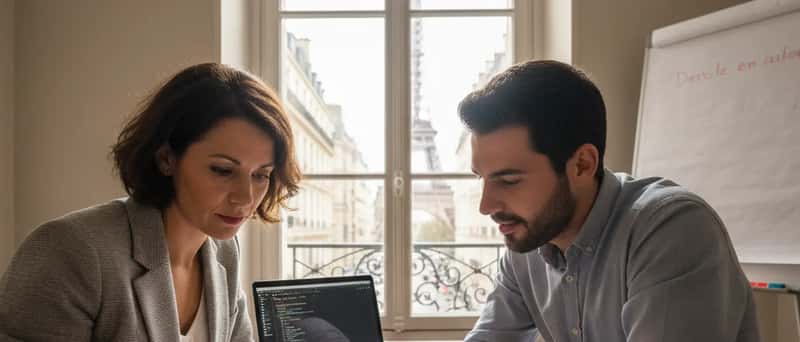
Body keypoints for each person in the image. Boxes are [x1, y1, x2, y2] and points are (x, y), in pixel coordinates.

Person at [460, 60, 759, 341]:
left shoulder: (672, 229)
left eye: (509, 181)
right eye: (480, 178)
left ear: (582, 165)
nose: (486, 206)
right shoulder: (529, 241)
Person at [0, 63, 300, 341]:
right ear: (166, 158)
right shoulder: (71, 250)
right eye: (222, 170)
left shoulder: (223, 252)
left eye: (262, 175)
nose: (245, 197)